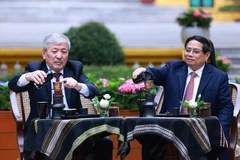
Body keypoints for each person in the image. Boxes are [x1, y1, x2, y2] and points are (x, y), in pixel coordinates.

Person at [8, 33, 113, 160]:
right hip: (43, 132)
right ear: (44, 54)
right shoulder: (34, 68)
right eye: (54, 51)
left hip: (75, 130)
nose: (59, 56)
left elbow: (93, 92)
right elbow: (13, 85)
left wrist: (78, 86)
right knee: (53, 146)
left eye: (64, 52)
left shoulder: (75, 68)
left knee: (105, 143)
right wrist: (27, 77)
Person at [132, 35, 233, 160]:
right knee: (149, 136)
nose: (190, 54)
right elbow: (155, 73)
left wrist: (220, 130)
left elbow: (226, 106)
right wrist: (143, 70)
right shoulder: (174, 68)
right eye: (188, 50)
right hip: (170, 127)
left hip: (201, 129)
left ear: (207, 56)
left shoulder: (218, 77)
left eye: (196, 51)